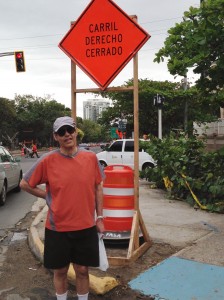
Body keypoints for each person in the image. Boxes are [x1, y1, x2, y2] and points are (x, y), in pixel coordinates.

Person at [20, 116, 105, 300]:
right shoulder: (47, 160)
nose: (67, 134)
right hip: (57, 228)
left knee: (82, 270)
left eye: (70, 130)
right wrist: (47, 195)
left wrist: (100, 218)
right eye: (61, 132)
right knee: (60, 271)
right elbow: (24, 184)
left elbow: (98, 187)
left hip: (86, 226)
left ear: (76, 132)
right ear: (55, 136)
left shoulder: (90, 158)